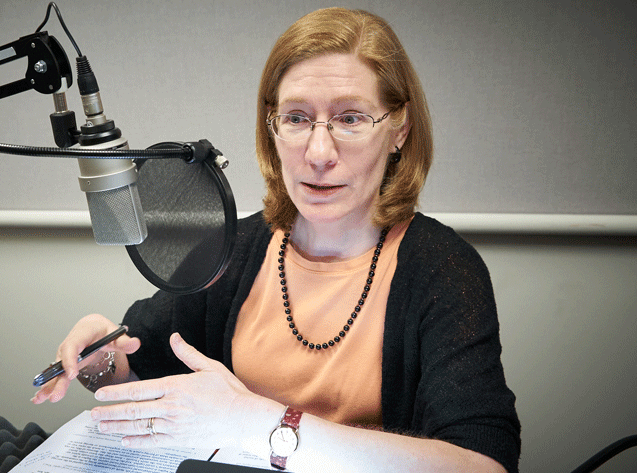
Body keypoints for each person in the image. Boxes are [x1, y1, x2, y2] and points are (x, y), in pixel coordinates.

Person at [32, 7, 521, 472]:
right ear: (273, 128)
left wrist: (261, 423)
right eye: (297, 118)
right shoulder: (236, 250)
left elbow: (482, 463)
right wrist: (103, 358)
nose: (318, 151)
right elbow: (143, 363)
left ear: (399, 129)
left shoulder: (441, 269)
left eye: (350, 119)